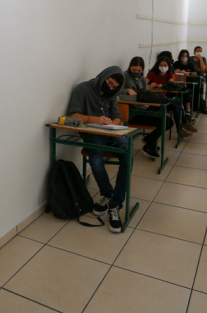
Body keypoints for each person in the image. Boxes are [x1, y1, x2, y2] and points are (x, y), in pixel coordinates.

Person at [67, 66, 128, 233]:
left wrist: (112, 124)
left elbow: (118, 117)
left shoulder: (111, 94)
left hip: (110, 132)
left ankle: (115, 204)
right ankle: (108, 194)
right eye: (109, 83)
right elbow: (73, 115)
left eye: (115, 86)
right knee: (95, 160)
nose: (111, 87)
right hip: (92, 134)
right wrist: (94, 119)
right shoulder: (83, 89)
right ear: (103, 77)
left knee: (127, 154)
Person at [119, 56, 174, 159]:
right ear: (130, 67)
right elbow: (116, 92)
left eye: (139, 70)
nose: (136, 72)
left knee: (169, 122)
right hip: (133, 113)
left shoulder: (143, 79)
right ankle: (149, 145)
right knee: (163, 122)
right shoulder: (124, 76)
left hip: (143, 109)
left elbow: (146, 94)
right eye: (134, 70)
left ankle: (149, 140)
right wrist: (126, 90)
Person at [147, 57, 197, 137]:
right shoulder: (152, 73)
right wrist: (151, 86)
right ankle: (183, 124)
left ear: (168, 66)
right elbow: (144, 85)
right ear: (157, 65)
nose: (163, 67)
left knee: (176, 103)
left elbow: (170, 84)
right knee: (176, 103)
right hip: (155, 99)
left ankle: (181, 127)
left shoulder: (169, 73)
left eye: (165, 65)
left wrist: (162, 86)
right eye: (161, 65)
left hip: (164, 98)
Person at [192, 46, 207, 114]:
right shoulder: (190, 59)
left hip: (200, 78)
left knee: (197, 89)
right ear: (194, 52)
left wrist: (200, 59)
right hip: (191, 77)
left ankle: (201, 106)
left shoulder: (203, 59)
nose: (198, 53)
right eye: (197, 51)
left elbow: (203, 69)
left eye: (200, 51)